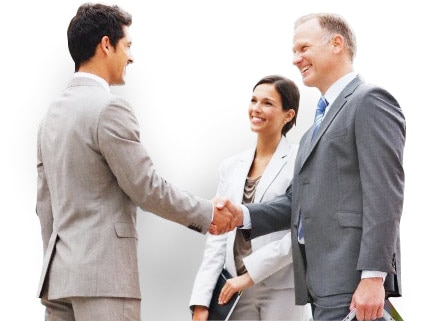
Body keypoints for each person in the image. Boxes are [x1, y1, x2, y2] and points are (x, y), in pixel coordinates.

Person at [35, 3, 236, 321]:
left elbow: (44, 205)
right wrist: (208, 213)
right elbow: (146, 187)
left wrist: (58, 264)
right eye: (127, 46)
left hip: (59, 280)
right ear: (105, 45)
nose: (131, 57)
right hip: (105, 280)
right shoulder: (109, 109)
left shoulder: (50, 118)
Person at [218, 13, 405, 321]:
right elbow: (298, 203)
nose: (296, 59)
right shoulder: (310, 134)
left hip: (352, 280)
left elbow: (385, 194)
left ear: (336, 44)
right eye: (294, 51)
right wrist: (243, 214)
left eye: (303, 48)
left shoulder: (369, 101)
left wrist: (373, 277)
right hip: (320, 283)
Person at [190, 75, 312, 321]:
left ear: (288, 115)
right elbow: (218, 236)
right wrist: (201, 301)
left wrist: (251, 275)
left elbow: (301, 231)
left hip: (282, 287)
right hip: (233, 289)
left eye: (267, 103)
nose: (256, 108)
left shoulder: (301, 161)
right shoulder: (231, 166)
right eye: (254, 100)